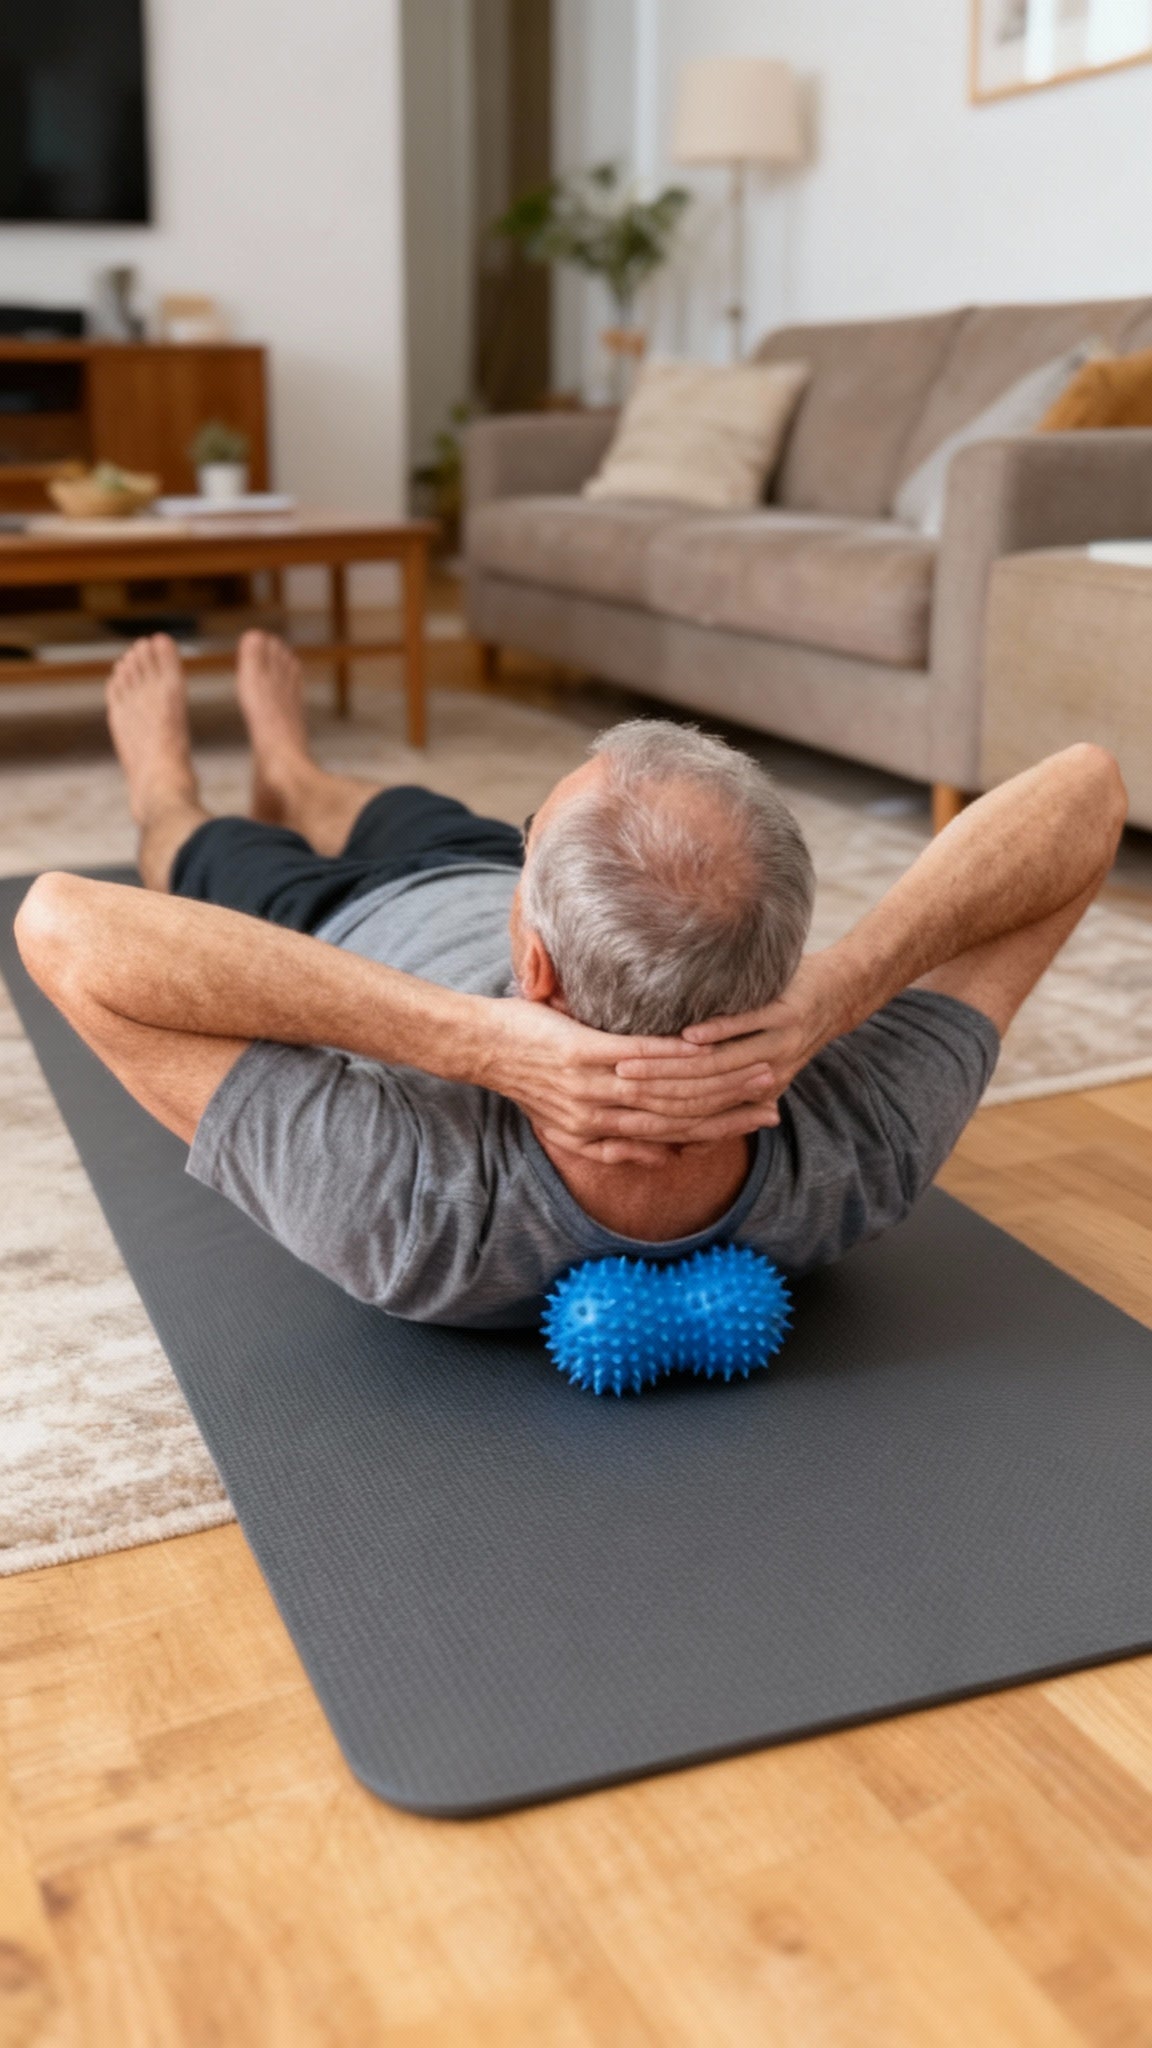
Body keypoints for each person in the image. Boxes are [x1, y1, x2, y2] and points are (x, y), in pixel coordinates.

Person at [15, 632, 1125, 1327]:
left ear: (531, 962)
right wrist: (839, 993)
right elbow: (1088, 786)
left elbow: (62, 922)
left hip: (321, 934)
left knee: (188, 838)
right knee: (378, 797)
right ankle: (293, 766)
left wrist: (476, 1041)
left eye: (540, 823)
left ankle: (167, 777)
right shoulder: (862, 1137)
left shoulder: (410, 1208)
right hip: (483, 873)